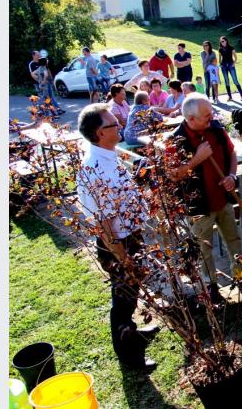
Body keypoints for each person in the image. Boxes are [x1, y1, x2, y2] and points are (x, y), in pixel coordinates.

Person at [76, 103, 159, 371]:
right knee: (122, 300)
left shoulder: (110, 156)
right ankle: (129, 356)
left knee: (131, 293)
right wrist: (123, 259)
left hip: (130, 237)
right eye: (114, 124)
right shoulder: (93, 169)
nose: (120, 126)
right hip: (117, 244)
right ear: (100, 133)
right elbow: (102, 225)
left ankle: (134, 331)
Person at [170, 94, 242, 299]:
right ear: (191, 119)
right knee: (204, 250)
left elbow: (232, 153)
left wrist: (231, 175)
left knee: (234, 241)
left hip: (223, 200)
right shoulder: (176, 141)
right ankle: (212, 288)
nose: (211, 117)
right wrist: (196, 160)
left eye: (211, 113)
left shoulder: (217, 130)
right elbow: (173, 176)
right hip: (198, 208)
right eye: (206, 115)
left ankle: (241, 276)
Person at [218, 36, 242, 102]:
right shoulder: (220, 49)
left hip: (231, 65)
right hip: (224, 66)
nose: (222, 43)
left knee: (235, 80)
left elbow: (235, 57)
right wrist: (220, 64)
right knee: (226, 81)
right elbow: (219, 58)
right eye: (221, 42)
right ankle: (229, 96)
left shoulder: (231, 48)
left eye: (223, 41)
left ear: (226, 41)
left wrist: (234, 63)